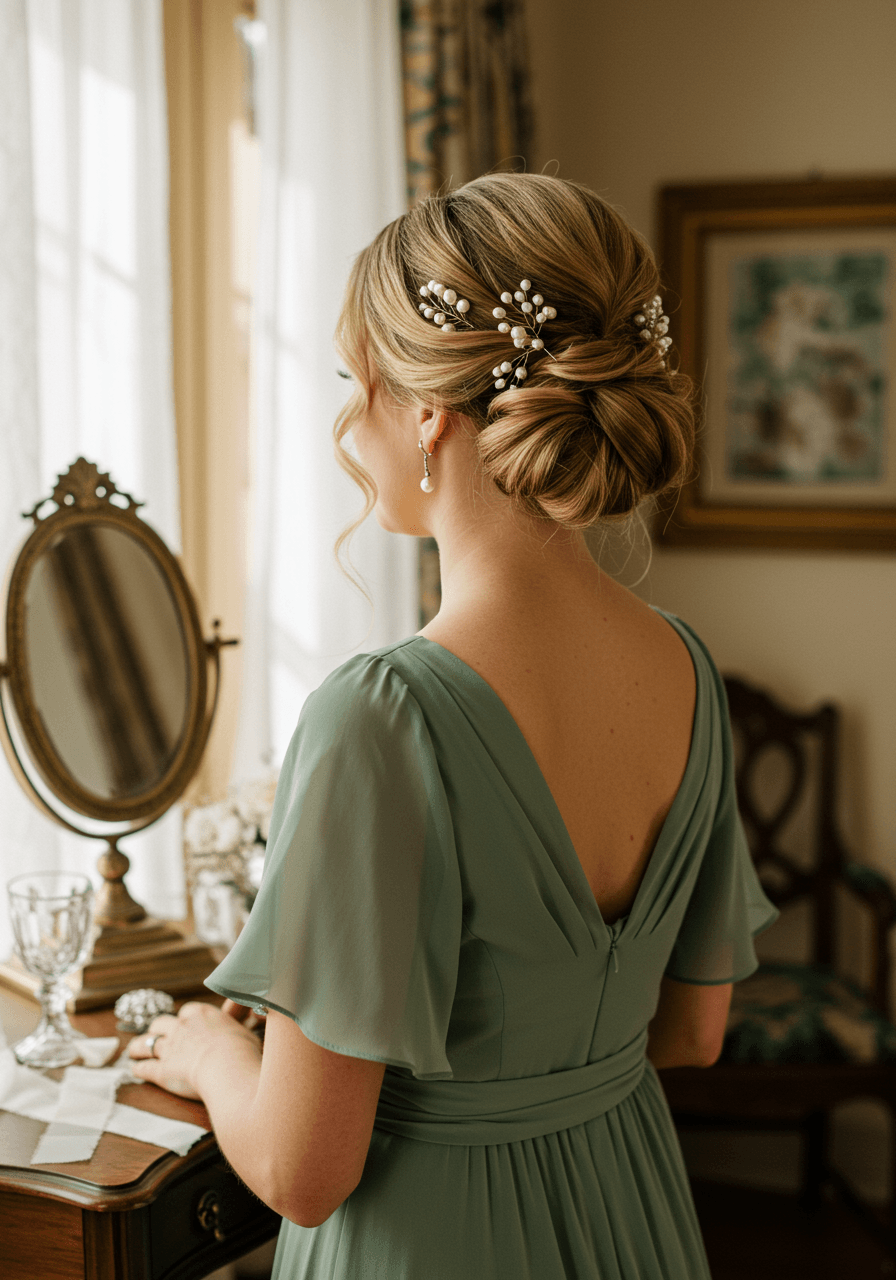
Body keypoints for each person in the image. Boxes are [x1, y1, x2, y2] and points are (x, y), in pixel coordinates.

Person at [130, 173, 779, 1279]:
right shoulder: (683, 665)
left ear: (424, 408)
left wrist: (210, 1047)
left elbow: (302, 1168)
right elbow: (688, 1033)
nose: (348, 416)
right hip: (628, 1211)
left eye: (356, 380)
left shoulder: (378, 714)